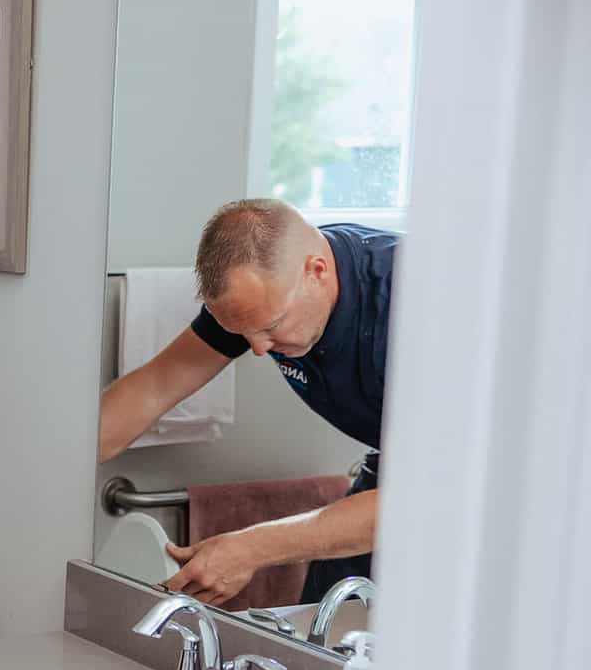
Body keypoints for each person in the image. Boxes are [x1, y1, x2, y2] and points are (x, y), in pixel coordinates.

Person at [98, 197, 396, 607]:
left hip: (479, 491)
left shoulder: (407, 308)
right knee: (318, 629)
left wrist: (250, 548)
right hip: (397, 469)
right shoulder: (260, 304)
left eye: (271, 329)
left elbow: (425, 496)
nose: (257, 349)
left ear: (318, 272)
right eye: (242, 333)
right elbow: (155, 386)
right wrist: (49, 469)